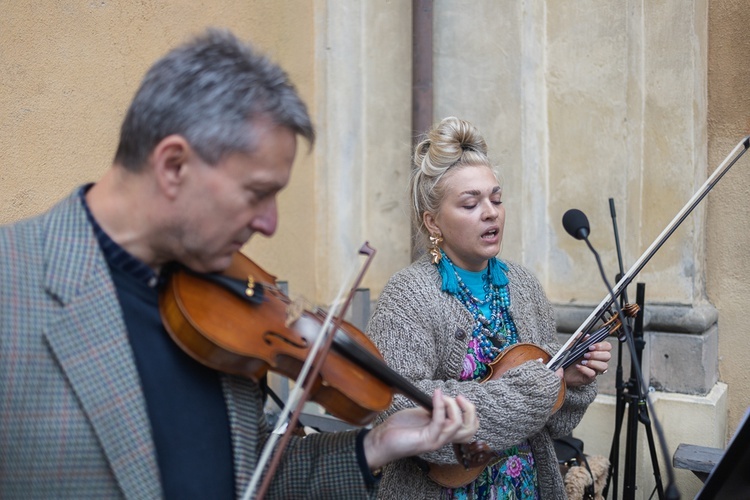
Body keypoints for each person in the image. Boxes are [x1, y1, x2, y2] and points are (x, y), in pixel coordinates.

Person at [0, 30, 480, 499]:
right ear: (173, 166)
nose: (269, 224)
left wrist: (374, 445)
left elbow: (244, 474)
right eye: (257, 194)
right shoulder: (12, 285)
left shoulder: (222, 306)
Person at [366, 117, 612, 499]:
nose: (490, 212)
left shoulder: (525, 286)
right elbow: (396, 409)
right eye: (471, 203)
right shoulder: (407, 295)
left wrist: (571, 382)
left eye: (496, 199)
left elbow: (555, 423)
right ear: (433, 223)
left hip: (526, 485)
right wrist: (534, 391)